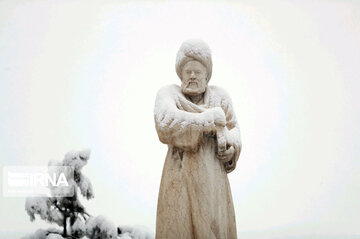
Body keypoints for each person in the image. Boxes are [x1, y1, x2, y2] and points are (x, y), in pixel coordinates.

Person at [154, 39, 242, 239]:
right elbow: (165, 123)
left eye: (198, 72)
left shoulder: (221, 98)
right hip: (179, 178)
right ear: (181, 74)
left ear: (207, 75)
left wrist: (231, 147)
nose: (192, 76)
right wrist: (206, 121)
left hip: (213, 182)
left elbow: (234, 130)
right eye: (188, 71)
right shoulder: (169, 94)